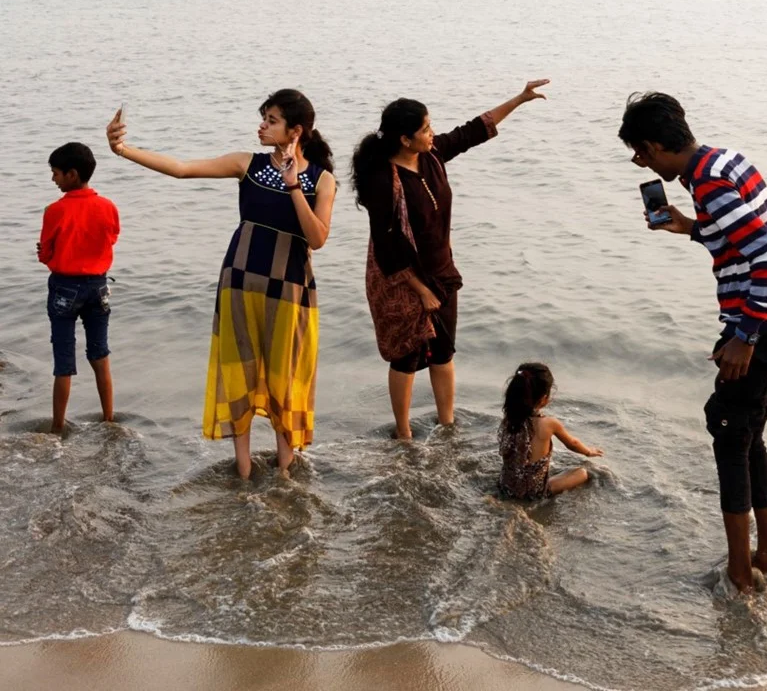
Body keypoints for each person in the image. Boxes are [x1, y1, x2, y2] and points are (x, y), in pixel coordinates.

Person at [621, 92, 767, 594]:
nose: (640, 162)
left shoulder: (708, 180)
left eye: (641, 152)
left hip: (760, 324)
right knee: (748, 434)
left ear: (658, 145)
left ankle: (742, 573)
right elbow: (743, 236)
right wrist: (692, 229)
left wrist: (744, 337)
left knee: (727, 431)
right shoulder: (726, 160)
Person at [105, 90, 336, 480]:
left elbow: (317, 238)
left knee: (286, 375)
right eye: (263, 118)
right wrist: (123, 149)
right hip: (239, 282)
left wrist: (294, 183)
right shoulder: (246, 164)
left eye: (272, 120)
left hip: (291, 289)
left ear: (296, 130)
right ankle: (243, 472)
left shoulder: (322, 180)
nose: (262, 126)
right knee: (239, 371)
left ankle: (284, 471)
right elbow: (181, 169)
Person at [350, 80, 549, 440]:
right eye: (425, 129)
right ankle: (404, 433)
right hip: (406, 277)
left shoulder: (432, 156)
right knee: (406, 357)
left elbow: (474, 130)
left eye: (431, 125)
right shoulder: (384, 181)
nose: (433, 132)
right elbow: (387, 244)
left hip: (443, 272)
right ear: (404, 140)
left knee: (443, 352)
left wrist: (519, 99)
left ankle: (447, 425)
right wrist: (419, 289)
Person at [37, 143, 120, 434]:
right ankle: (108, 419)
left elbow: (46, 254)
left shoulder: (55, 211)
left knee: (64, 360)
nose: (53, 179)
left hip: (64, 288)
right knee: (100, 355)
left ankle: (58, 427)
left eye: (56, 173)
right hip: (98, 286)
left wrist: (47, 252)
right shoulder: (108, 206)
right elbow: (111, 239)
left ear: (71, 175)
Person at [498, 362, 603, 499]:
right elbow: (573, 443)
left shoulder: (509, 419)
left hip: (506, 486)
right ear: (543, 398)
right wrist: (589, 451)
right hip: (534, 493)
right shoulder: (548, 423)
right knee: (582, 472)